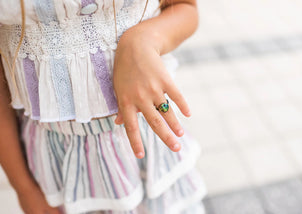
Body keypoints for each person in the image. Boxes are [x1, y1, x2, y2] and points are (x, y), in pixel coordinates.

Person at [0, 0, 207, 213]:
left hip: (152, 147)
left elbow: (186, 7)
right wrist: (24, 188)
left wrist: (145, 39)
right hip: (56, 168)